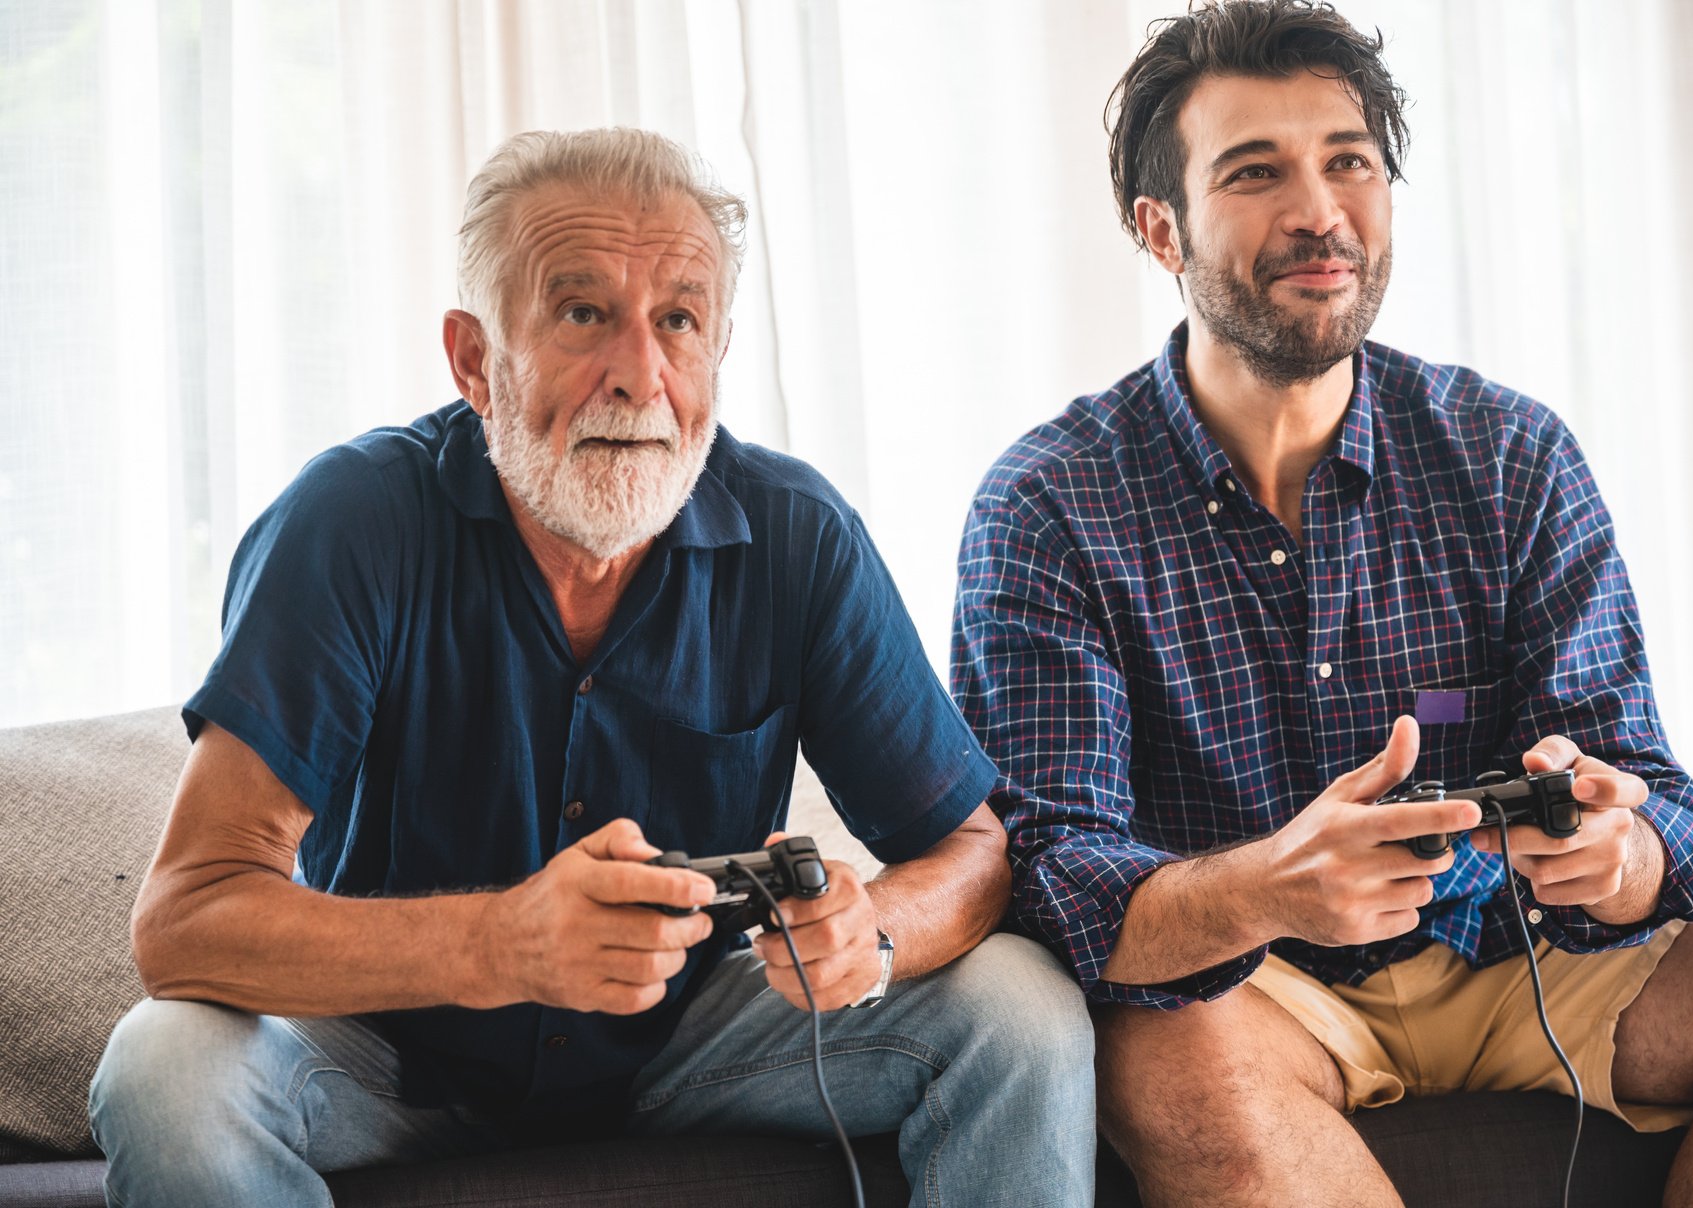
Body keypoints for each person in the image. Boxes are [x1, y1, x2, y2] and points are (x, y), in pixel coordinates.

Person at [88, 127, 1094, 1208]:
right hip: (382, 1057)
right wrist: (497, 943)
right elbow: (186, 917)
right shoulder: (350, 523)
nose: (641, 376)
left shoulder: (798, 532)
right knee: (166, 1069)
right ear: (475, 358)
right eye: (583, 315)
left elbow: (973, 848)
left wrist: (877, 931)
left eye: (678, 321)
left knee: (1020, 1006)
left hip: (694, 1041)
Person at [951, 3, 1693, 1204]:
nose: (1319, 211)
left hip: (1531, 960)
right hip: (1257, 987)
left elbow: (1658, 800)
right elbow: (1048, 872)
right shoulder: (1048, 505)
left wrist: (1623, 854)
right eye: (1256, 173)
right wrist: (1267, 883)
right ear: (1161, 229)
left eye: (1348, 161)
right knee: (1159, 1046)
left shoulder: (1510, 454)